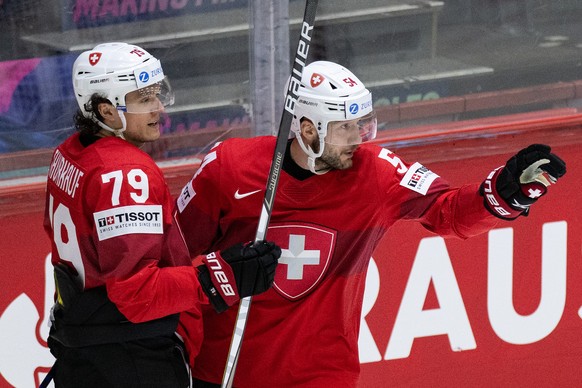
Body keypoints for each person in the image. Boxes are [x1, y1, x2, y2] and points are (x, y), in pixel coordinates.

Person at [174, 60, 566, 387]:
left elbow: (448, 211)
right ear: (308, 130)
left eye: (363, 124)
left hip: (322, 375)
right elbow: (171, 254)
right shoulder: (229, 169)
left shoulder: (377, 173)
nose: (359, 138)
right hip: (224, 370)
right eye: (345, 127)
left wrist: (504, 193)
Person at [43, 42, 281, 388]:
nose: (159, 108)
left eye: (157, 94)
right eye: (144, 99)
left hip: (84, 345)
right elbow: (135, 294)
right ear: (106, 111)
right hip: (130, 358)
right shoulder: (126, 173)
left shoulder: (69, 154)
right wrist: (221, 277)